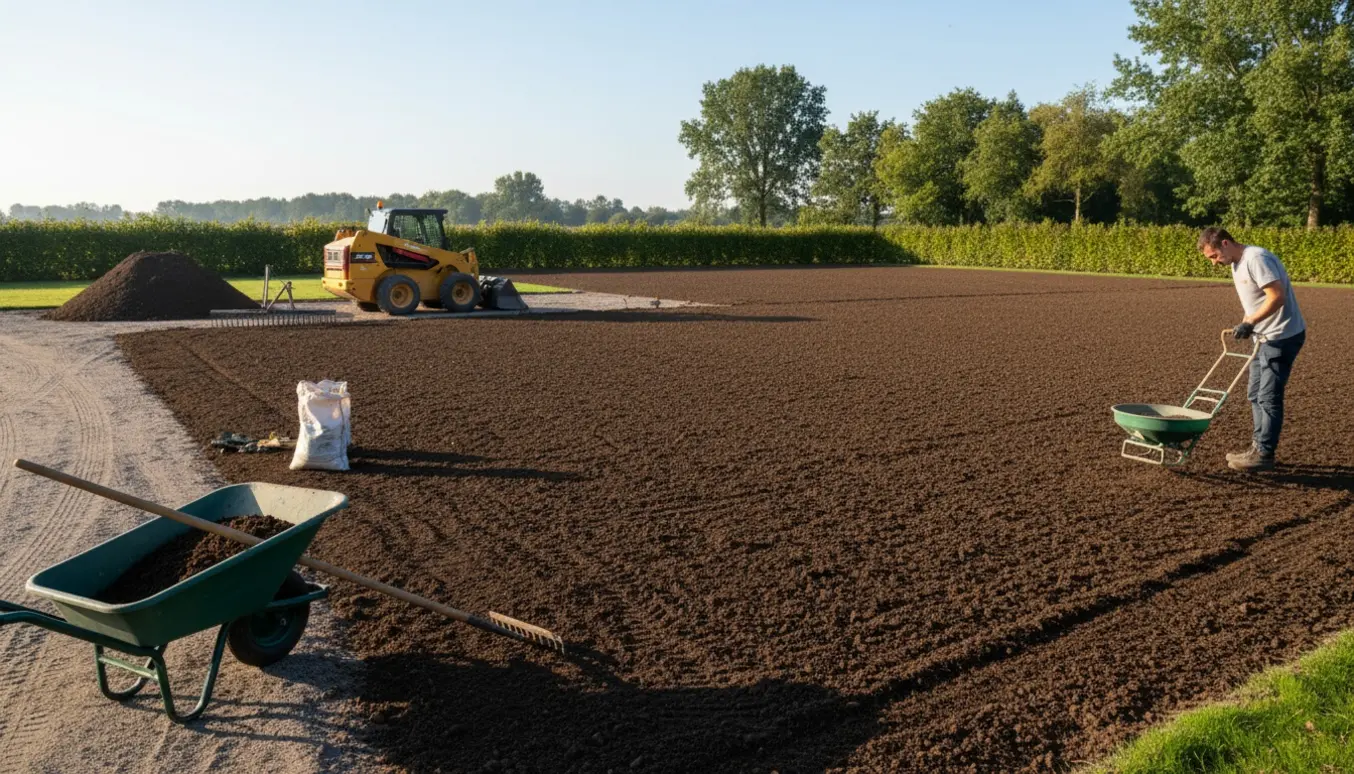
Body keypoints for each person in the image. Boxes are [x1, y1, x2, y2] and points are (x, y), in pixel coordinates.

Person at [1196, 227, 1306, 472]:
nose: (1214, 263)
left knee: (1268, 396)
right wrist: (1246, 323)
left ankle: (1264, 454)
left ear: (1225, 243)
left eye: (1214, 256)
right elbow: (1254, 301)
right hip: (1263, 337)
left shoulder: (1256, 258)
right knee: (1255, 394)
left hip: (1281, 337)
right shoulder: (1237, 263)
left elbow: (1277, 296)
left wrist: (1250, 323)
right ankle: (1257, 448)